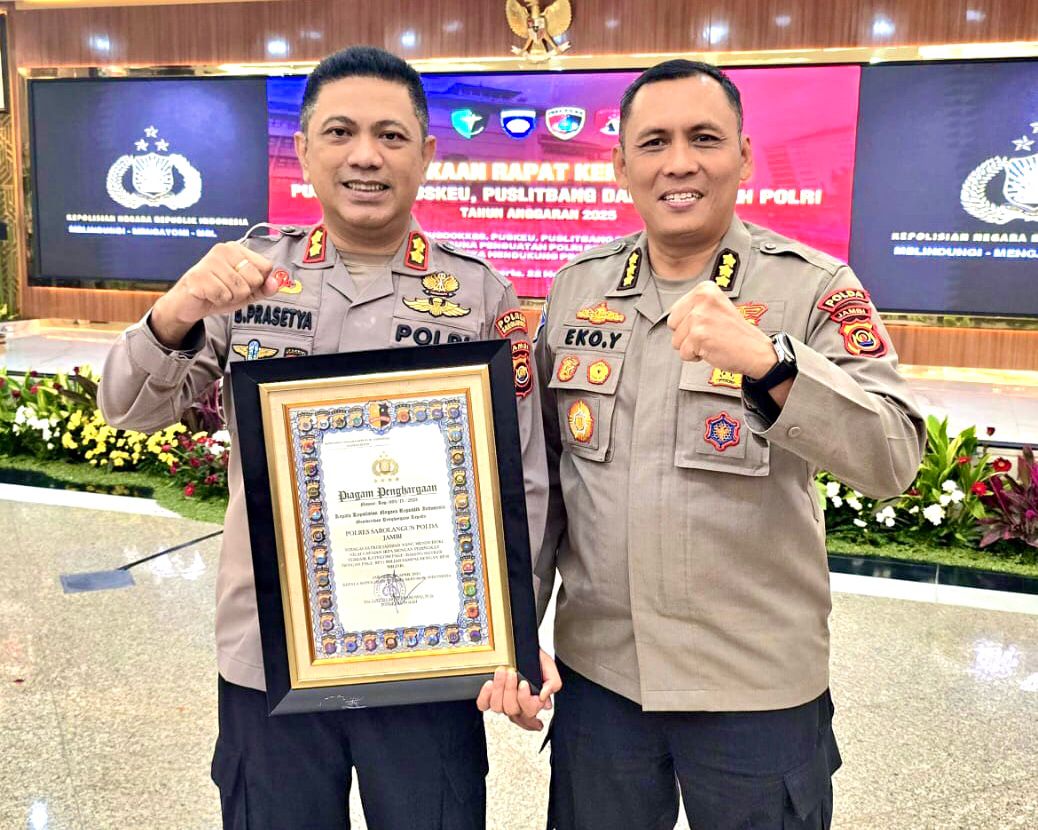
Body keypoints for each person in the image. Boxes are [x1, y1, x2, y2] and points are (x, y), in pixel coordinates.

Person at [99, 45, 559, 830]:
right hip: (269, 652)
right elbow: (127, 409)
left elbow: (524, 478)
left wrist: (510, 630)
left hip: (428, 654)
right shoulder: (246, 279)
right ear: (306, 150)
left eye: (391, 135)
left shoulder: (480, 293)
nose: (365, 156)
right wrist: (177, 309)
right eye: (341, 132)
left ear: (426, 154)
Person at [532, 60, 925, 830]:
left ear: (743, 157)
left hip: (754, 690)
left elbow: (894, 456)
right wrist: (517, 628)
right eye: (654, 142)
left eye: (704, 138)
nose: (679, 162)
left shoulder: (813, 287)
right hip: (603, 682)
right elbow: (544, 479)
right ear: (620, 166)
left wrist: (773, 365)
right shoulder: (578, 289)